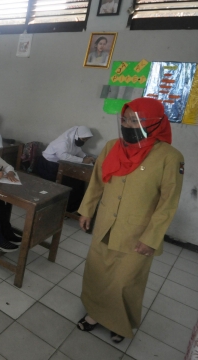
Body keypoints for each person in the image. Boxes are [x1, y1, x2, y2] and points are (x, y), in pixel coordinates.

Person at [76, 97, 184, 344]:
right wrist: (87, 211)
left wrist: (152, 238)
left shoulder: (170, 157)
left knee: (125, 281)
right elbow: (97, 182)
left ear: (154, 123)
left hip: (137, 233)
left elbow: (168, 203)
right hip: (105, 224)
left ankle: (119, 323)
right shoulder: (112, 146)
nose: (127, 125)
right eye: (124, 119)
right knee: (97, 272)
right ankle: (94, 313)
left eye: (134, 120)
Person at [36, 126, 95, 212]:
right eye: (84, 139)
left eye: (86, 140)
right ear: (77, 136)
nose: (84, 141)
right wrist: (83, 160)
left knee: (79, 181)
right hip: (48, 165)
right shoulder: (63, 142)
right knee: (70, 182)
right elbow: (63, 156)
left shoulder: (73, 140)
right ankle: (66, 209)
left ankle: (75, 208)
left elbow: (78, 151)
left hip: (59, 165)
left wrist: (86, 157)